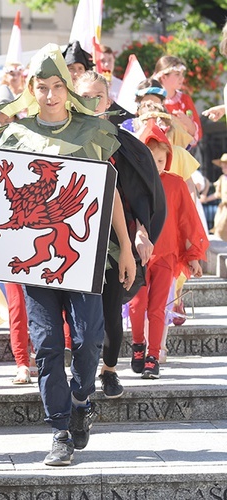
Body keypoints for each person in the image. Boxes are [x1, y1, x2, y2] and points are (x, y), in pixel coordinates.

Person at [0, 44, 136, 466]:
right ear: (31, 88)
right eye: (43, 87)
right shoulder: (15, 134)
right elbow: (4, 200)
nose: (51, 95)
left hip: (82, 253)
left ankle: (81, 397)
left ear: (68, 88)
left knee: (89, 336)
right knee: (47, 344)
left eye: (58, 86)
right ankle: (60, 429)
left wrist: (126, 248)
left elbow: (109, 194)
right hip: (33, 257)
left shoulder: (93, 131)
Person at [75, 71, 166, 398]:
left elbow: (142, 192)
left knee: (112, 313)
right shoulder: (62, 140)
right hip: (71, 244)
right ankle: (78, 374)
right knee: (78, 320)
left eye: (96, 96)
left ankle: (109, 370)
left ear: (108, 100)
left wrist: (141, 231)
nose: (90, 102)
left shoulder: (125, 146)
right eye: (83, 95)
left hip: (116, 244)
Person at [129, 121, 208, 378]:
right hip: (136, 256)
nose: (156, 164)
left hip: (166, 254)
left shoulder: (175, 184)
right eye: (150, 158)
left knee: (157, 307)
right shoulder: (131, 184)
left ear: (168, 158)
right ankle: (138, 345)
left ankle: (153, 355)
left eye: (161, 159)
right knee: (136, 305)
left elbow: (188, 220)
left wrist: (194, 256)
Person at [153, 55, 201, 148]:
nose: (182, 78)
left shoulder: (184, 99)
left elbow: (197, 135)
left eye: (182, 74)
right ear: (163, 77)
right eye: (177, 74)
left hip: (183, 154)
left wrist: (188, 123)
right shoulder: (153, 101)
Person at [203, 154, 227, 240]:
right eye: (223, 166)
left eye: (226, 166)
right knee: (220, 228)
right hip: (224, 209)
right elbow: (217, 194)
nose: (224, 168)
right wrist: (205, 199)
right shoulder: (222, 178)